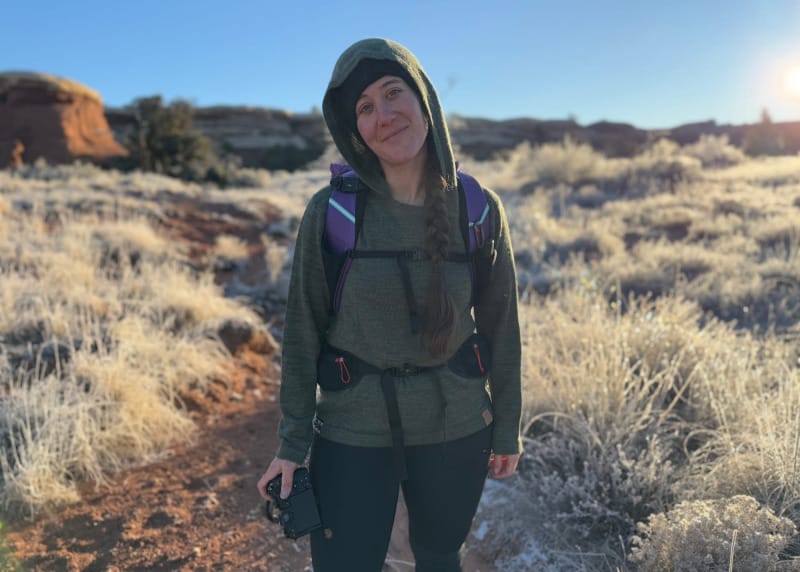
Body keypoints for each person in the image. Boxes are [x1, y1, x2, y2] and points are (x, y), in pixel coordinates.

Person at [257, 37, 522, 572]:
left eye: (393, 92)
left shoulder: (477, 208)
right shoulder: (332, 211)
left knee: (440, 556)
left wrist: (507, 424)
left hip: (456, 426)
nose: (384, 115)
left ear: (423, 99)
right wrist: (292, 440)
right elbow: (304, 331)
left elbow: (502, 324)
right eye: (364, 107)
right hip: (353, 428)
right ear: (353, 128)